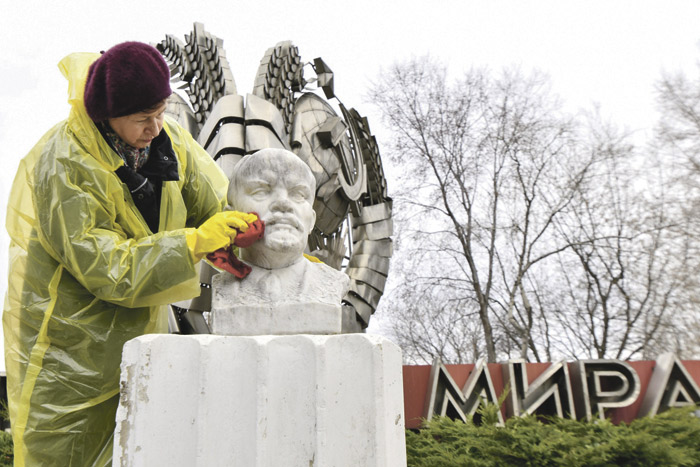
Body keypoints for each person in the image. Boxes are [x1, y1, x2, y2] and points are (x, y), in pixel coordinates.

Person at [2, 41, 258, 466]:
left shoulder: (167, 141)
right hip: (69, 356)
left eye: (161, 112)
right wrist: (192, 243)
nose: (156, 127)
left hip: (141, 341)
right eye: (144, 118)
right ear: (109, 115)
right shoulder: (65, 164)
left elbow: (215, 199)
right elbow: (106, 267)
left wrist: (246, 234)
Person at [209, 149, 349, 335]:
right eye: (261, 191)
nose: (283, 203)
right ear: (231, 216)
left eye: (298, 194)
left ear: (311, 221)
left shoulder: (332, 283)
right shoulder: (222, 287)